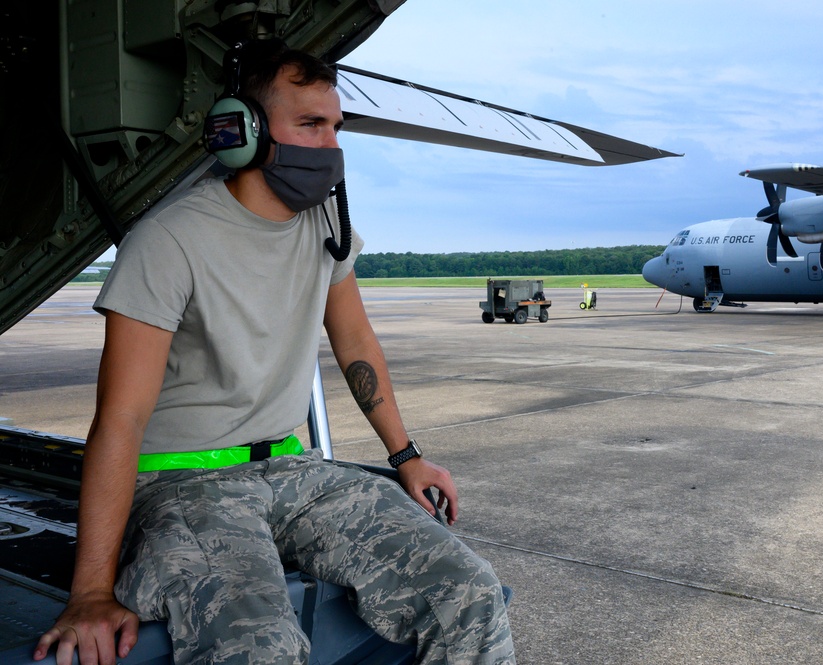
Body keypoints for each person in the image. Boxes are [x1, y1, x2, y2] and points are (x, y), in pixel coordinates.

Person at [34, 39, 514, 665]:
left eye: (335, 127)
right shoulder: (169, 241)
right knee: (260, 647)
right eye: (310, 125)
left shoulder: (325, 227)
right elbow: (119, 418)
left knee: (470, 593)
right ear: (244, 132)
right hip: (184, 484)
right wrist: (91, 591)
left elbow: (356, 342)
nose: (330, 147)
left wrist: (407, 456)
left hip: (293, 470)